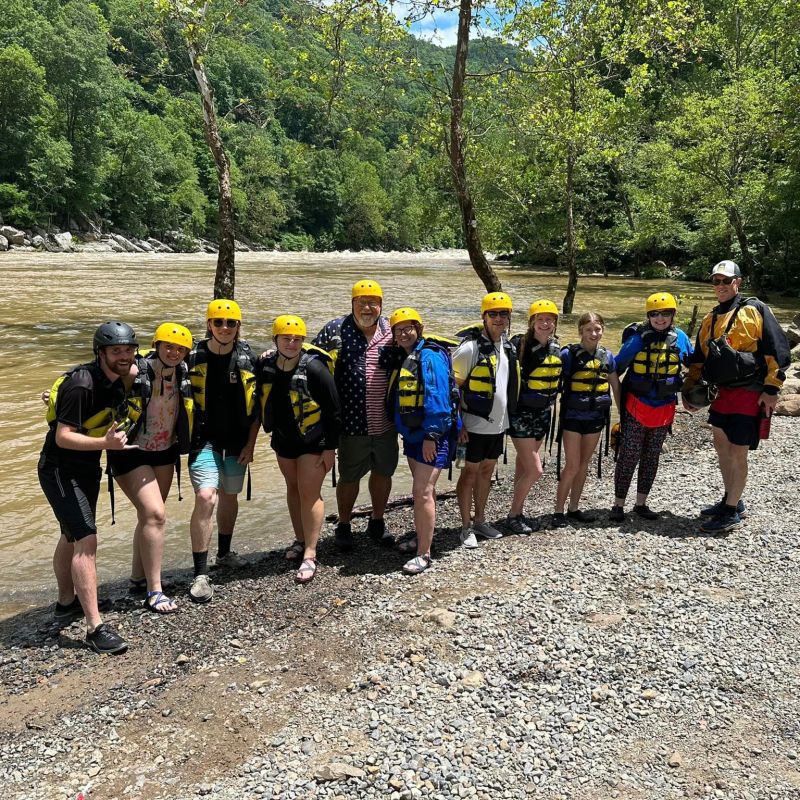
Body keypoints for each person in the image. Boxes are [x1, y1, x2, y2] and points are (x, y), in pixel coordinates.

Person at [38, 322, 139, 654]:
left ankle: (67, 601)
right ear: (101, 353)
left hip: (86, 470)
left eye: (128, 350)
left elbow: (144, 364)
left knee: (71, 533)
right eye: (116, 351)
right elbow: (62, 437)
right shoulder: (82, 384)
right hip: (59, 470)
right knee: (86, 539)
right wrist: (105, 442)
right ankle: (95, 627)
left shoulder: (118, 375)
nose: (124, 357)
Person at [682, 260, 790, 534]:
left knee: (738, 451)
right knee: (721, 445)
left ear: (737, 282)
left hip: (749, 391)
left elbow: (776, 350)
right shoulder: (710, 319)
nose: (720, 286)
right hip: (721, 393)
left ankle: (730, 511)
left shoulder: (756, 310)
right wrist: (689, 391)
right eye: (716, 281)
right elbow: (698, 359)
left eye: (725, 281)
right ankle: (731, 499)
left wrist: (771, 390)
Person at [109, 323, 194, 613]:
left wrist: (266, 355)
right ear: (156, 345)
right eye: (168, 346)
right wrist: (58, 393)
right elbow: (96, 376)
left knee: (148, 516)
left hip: (165, 451)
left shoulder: (183, 369)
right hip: (131, 451)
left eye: (180, 348)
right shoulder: (136, 370)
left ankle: (137, 577)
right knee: (156, 514)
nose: (174, 352)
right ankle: (154, 590)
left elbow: (218, 354)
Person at [313, 279, 398, 552]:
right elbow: (310, 359)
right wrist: (272, 356)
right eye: (361, 302)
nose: (367, 308)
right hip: (350, 422)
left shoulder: (391, 331)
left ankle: (377, 521)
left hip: (385, 422)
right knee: (349, 477)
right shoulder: (335, 329)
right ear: (352, 303)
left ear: (381, 306)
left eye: (373, 303)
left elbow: (413, 352)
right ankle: (345, 524)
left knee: (383, 473)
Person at [186, 299, 259, 602]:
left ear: (239, 327)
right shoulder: (191, 357)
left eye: (231, 323)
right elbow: (148, 365)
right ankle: (200, 572)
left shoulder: (250, 358)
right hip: (203, 439)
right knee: (206, 496)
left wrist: (251, 444)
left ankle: (225, 553)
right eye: (219, 322)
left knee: (229, 494)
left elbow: (259, 407)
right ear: (208, 325)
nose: (225, 328)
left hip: (237, 441)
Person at [258, 315, 340, 584]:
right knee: (292, 489)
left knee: (309, 493)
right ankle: (300, 538)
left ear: (304, 341)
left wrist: (330, 448)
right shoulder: (267, 364)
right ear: (275, 340)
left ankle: (310, 552)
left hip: (313, 441)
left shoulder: (315, 369)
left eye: (297, 339)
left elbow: (333, 411)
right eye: (286, 338)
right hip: (283, 440)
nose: (291, 343)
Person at [385, 308, 459, 574]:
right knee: (422, 492)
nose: (404, 333)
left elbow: (437, 397)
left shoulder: (429, 357)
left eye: (409, 328)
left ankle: (424, 554)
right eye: (399, 329)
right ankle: (422, 538)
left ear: (419, 328)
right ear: (393, 335)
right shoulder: (409, 356)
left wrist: (432, 435)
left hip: (431, 435)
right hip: (415, 435)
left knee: (423, 492)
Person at [609, 293, 693, 522]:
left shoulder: (681, 338)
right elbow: (616, 368)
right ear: (648, 316)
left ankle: (641, 503)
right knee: (629, 455)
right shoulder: (638, 338)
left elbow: (693, 365)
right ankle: (618, 504)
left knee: (651, 456)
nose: (660, 318)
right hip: (637, 405)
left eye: (665, 313)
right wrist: (616, 402)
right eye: (654, 314)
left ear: (673, 315)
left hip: (665, 407)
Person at [452, 292, 519, 549]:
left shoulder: (508, 347)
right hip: (473, 426)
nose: (499, 319)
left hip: (498, 426)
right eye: (493, 314)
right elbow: (453, 389)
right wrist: (458, 425)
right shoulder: (470, 349)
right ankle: (465, 526)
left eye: (504, 314)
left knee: (487, 472)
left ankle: (480, 520)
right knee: (469, 473)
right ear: (484, 316)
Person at [553, 312, 621, 527]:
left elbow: (615, 386)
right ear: (580, 331)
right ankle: (558, 510)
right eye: (589, 329)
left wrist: (624, 416)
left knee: (583, 464)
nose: (594, 333)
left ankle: (574, 508)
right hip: (572, 417)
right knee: (572, 465)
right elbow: (554, 383)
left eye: (598, 329)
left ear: (603, 330)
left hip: (595, 418)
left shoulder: (607, 357)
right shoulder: (568, 355)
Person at [505, 299, 563, 534]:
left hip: (543, 413)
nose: (546, 323)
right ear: (532, 322)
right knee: (535, 469)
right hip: (521, 414)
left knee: (523, 466)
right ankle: (512, 515)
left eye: (550, 320)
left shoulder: (556, 347)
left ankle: (518, 512)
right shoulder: (518, 345)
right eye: (540, 319)